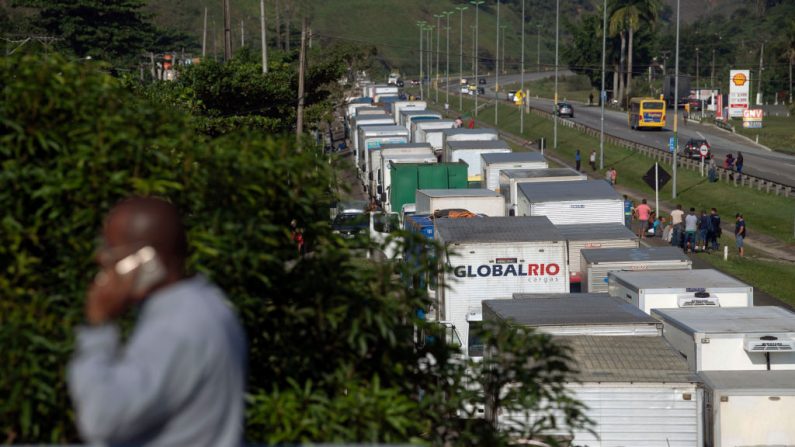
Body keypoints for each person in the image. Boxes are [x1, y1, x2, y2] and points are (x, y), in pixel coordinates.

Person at [68, 197, 247, 447]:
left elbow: (101, 419)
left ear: (146, 261)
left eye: (112, 252)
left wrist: (99, 326)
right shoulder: (207, 303)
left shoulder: (176, 325)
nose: (103, 261)